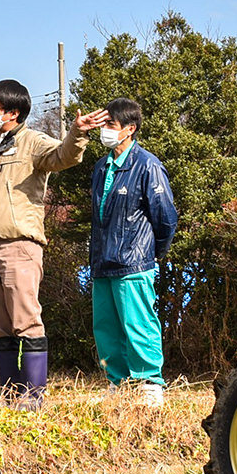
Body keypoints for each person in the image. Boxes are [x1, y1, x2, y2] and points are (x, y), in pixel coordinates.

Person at [0, 79, 108, 408]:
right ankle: (10, 393)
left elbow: (63, 156)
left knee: (25, 320)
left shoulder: (32, 141)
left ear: (13, 112)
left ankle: (32, 395)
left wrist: (78, 132)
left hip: (20, 245)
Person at [89, 98, 177, 408]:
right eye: (104, 125)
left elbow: (166, 217)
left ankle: (150, 382)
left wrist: (153, 253)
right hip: (102, 260)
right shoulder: (101, 167)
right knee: (106, 327)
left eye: (111, 125)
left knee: (138, 324)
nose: (105, 130)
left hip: (134, 260)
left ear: (130, 129)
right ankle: (117, 382)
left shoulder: (147, 164)